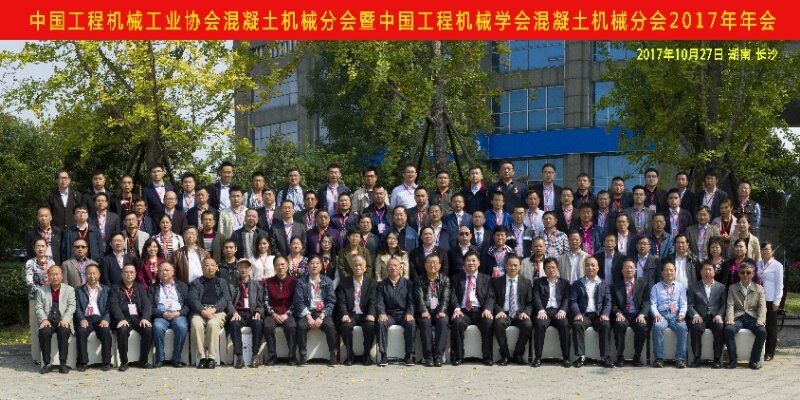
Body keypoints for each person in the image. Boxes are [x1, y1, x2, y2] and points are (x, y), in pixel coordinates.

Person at [449, 251, 495, 366]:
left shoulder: (486, 278)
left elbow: (491, 296)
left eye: (474, 260)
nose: (471, 263)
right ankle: (459, 356)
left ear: (479, 263)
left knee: (488, 322)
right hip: (463, 311)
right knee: (457, 322)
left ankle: (487, 356)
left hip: (480, 311)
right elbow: (452, 295)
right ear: (464, 263)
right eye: (468, 261)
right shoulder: (456, 278)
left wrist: (487, 309)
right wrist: (456, 309)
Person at [293, 256, 338, 366]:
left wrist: (321, 316)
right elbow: (299, 301)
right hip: (307, 312)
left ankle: (333, 354)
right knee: (301, 326)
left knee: (330, 326)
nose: (315, 265)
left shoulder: (327, 281)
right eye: (312, 263)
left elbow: (331, 301)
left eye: (317, 263)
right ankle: (303, 355)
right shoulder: (301, 282)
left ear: (321, 266)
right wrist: (309, 317)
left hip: (322, 312)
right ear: (308, 266)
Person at [569, 257, 613, 368]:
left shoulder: (603, 284)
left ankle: (604, 357)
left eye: (593, 265)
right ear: (584, 267)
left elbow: (608, 301)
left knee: (606, 325)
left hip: (598, 315)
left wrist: (605, 314)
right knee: (577, 324)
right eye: (588, 265)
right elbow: (573, 301)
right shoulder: (578, 284)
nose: (590, 267)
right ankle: (581, 356)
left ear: (597, 268)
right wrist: (577, 313)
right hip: (584, 315)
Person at [109, 264, 154, 371]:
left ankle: (143, 361)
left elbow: (147, 304)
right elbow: (113, 305)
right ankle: (124, 362)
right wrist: (121, 319)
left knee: (148, 329)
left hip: (138, 318)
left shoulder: (140, 287)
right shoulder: (115, 288)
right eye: (126, 272)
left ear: (135, 274)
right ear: (122, 274)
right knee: (122, 330)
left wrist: (145, 317)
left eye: (131, 272)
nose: (129, 274)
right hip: (123, 318)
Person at [188, 258, 231, 369]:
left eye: (213, 265)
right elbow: (192, 299)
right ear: (202, 268)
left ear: (216, 268)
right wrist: (202, 310)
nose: (210, 268)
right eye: (207, 265)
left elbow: (225, 299)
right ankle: (202, 357)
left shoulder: (222, 282)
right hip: (200, 311)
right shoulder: (196, 283)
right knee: (196, 324)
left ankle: (211, 358)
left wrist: (214, 309)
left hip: (217, 311)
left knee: (212, 324)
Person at [724, 262, 767, 369]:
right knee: (728, 330)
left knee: (762, 331)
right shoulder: (732, 288)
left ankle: (754, 361)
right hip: (738, 317)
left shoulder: (759, 288)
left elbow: (762, 306)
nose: (745, 275)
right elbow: (730, 305)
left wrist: (761, 319)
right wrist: (730, 319)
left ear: (753, 274)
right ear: (739, 274)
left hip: (752, 317)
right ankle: (733, 360)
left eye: (748, 272)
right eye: (742, 272)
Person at [491, 255, 533, 366]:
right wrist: (498, 310)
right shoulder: (497, 282)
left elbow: (530, 303)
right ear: (505, 266)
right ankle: (505, 355)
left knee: (528, 324)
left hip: (520, 314)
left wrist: (525, 312)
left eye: (515, 265)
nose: (513, 268)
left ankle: (518, 354)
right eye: (510, 265)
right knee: (498, 323)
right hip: (504, 313)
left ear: (520, 267)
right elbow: (492, 300)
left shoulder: (526, 282)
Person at [374, 257, 416, 366]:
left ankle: (409, 355)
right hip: (389, 315)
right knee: (381, 323)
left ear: (401, 268)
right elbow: (379, 302)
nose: (393, 268)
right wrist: (382, 313)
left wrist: (409, 313)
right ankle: (383, 355)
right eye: (390, 266)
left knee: (411, 323)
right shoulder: (382, 284)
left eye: (395, 265)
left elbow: (411, 301)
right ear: (386, 269)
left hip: (403, 314)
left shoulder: (408, 283)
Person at [336, 255, 377, 366]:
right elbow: (341, 301)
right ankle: (350, 356)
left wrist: (371, 314)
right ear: (352, 267)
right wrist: (344, 314)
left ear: (365, 268)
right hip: (351, 314)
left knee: (370, 326)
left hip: (365, 314)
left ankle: (366, 355)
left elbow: (373, 301)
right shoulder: (344, 283)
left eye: (360, 265)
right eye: (355, 265)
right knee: (345, 326)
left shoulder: (372, 283)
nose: (358, 267)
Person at [35, 265, 75, 374]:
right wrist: (44, 319)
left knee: (64, 331)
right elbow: (38, 307)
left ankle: (63, 363)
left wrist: (65, 319)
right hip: (48, 320)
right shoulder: (41, 290)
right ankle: (46, 363)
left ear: (62, 276)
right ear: (48, 276)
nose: (55, 277)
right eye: (52, 274)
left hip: (62, 319)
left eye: (57, 274)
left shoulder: (69, 289)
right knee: (44, 332)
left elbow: (72, 306)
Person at [610, 259, 650, 367]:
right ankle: (620, 357)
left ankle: (637, 357)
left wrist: (642, 314)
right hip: (623, 314)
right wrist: (618, 313)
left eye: (631, 267)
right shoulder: (615, 286)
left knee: (642, 326)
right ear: (622, 270)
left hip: (637, 314)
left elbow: (646, 302)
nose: (629, 269)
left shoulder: (643, 284)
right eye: (626, 267)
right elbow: (612, 304)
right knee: (619, 325)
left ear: (635, 270)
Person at [686, 262, 727, 368]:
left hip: (715, 317)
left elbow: (724, 305)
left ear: (714, 272)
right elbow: (689, 305)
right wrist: (695, 315)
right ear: (700, 272)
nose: (707, 272)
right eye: (705, 269)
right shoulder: (693, 287)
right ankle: (697, 358)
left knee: (720, 327)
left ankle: (717, 359)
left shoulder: (721, 287)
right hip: (700, 317)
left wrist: (719, 315)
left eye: (710, 269)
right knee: (695, 327)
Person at [532, 258, 571, 368]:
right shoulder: (539, 282)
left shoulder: (565, 283)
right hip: (544, 311)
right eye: (548, 268)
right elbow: (536, 298)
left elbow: (566, 299)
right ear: (544, 270)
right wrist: (540, 310)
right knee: (539, 324)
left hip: (558, 311)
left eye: (553, 267)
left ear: (558, 269)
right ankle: (538, 357)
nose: (551, 270)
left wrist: (563, 310)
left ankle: (566, 357)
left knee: (564, 324)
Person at [149, 262, 189, 368]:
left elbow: (188, 304)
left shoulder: (182, 286)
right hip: (161, 315)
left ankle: (176, 358)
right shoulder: (153, 288)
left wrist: (179, 313)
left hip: (178, 314)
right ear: (158, 273)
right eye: (162, 270)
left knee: (182, 327)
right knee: (157, 327)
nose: (164, 272)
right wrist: (162, 314)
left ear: (173, 272)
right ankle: (160, 359)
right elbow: (150, 307)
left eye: (167, 270)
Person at [74, 264, 113, 371]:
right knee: (81, 331)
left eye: (94, 273)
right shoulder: (78, 290)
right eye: (89, 273)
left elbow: (110, 307)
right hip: (86, 318)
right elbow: (77, 307)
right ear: (85, 275)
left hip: (100, 318)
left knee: (105, 331)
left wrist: (106, 319)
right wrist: (81, 319)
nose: (92, 276)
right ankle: (83, 362)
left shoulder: (107, 290)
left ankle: (106, 362)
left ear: (99, 275)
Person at [650, 261, 689, 368]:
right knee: (657, 327)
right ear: (662, 273)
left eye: (671, 270)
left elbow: (684, 303)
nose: (669, 272)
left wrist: (682, 315)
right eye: (666, 270)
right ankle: (659, 359)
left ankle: (680, 359)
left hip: (676, 315)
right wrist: (656, 315)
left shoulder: (680, 287)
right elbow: (653, 304)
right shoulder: (656, 287)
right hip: (661, 315)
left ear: (675, 272)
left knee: (682, 328)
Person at [414, 253, 450, 367]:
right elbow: (419, 297)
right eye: (429, 262)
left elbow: (445, 297)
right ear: (425, 265)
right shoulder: (419, 279)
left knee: (443, 321)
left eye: (435, 263)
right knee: (425, 322)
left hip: (439, 310)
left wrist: (442, 310)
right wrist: (423, 310)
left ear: (439, 265)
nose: (432, 265)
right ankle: (428, 356)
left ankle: (438, 356)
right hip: (425, 310)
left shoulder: (445, 279)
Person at [227, 259, 264, 369]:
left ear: (250, 269)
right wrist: (234, 312)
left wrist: (258, 312)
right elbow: (228, 301)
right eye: (241, 267)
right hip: (239, 313)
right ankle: (239, 357)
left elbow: (261, 302)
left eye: (246, 267)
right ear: (237, 269)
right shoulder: (232, 284)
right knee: (234, 324)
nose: (243, 269)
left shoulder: (257, 284)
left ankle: (255, 355)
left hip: (252, 312)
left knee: (258, 323)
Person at [262, 256, 297, 365]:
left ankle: (292, 356)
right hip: (273, 313)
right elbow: (265, 301)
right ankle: (272, 356)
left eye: (282, 264)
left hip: (288, 313)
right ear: (274, 267)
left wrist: (287, 314)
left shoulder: (294, 281)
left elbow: (296, 301)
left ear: (287, 266)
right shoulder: (268, 282)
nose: (280, 267)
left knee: (291, 326)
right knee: (267, 326)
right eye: (277, 265)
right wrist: (273, 314)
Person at [25, 238, 55, 364]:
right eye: (38, 246)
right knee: (36, 327)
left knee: (48, 325)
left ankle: (49, 356)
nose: (40, 248)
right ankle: (37, 357)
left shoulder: (51, 261)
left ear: (46, 247)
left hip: (50, 298)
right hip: (35, 298)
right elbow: (29, 281)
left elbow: (54, 278)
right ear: (34, 248)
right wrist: (41, 292)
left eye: (43, 246)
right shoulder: (30, 263)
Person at [757, 242, 783, 361]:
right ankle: (759, 350)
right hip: (758, 299)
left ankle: (769, 352)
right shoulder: (758, 264)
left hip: (770, 299)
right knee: (760, 324)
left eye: (767, 249)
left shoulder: (777, 266)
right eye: (763, 249)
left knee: (771, 326)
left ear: (772, 251)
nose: (765, 251)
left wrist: (777, 301)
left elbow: (779, 285)